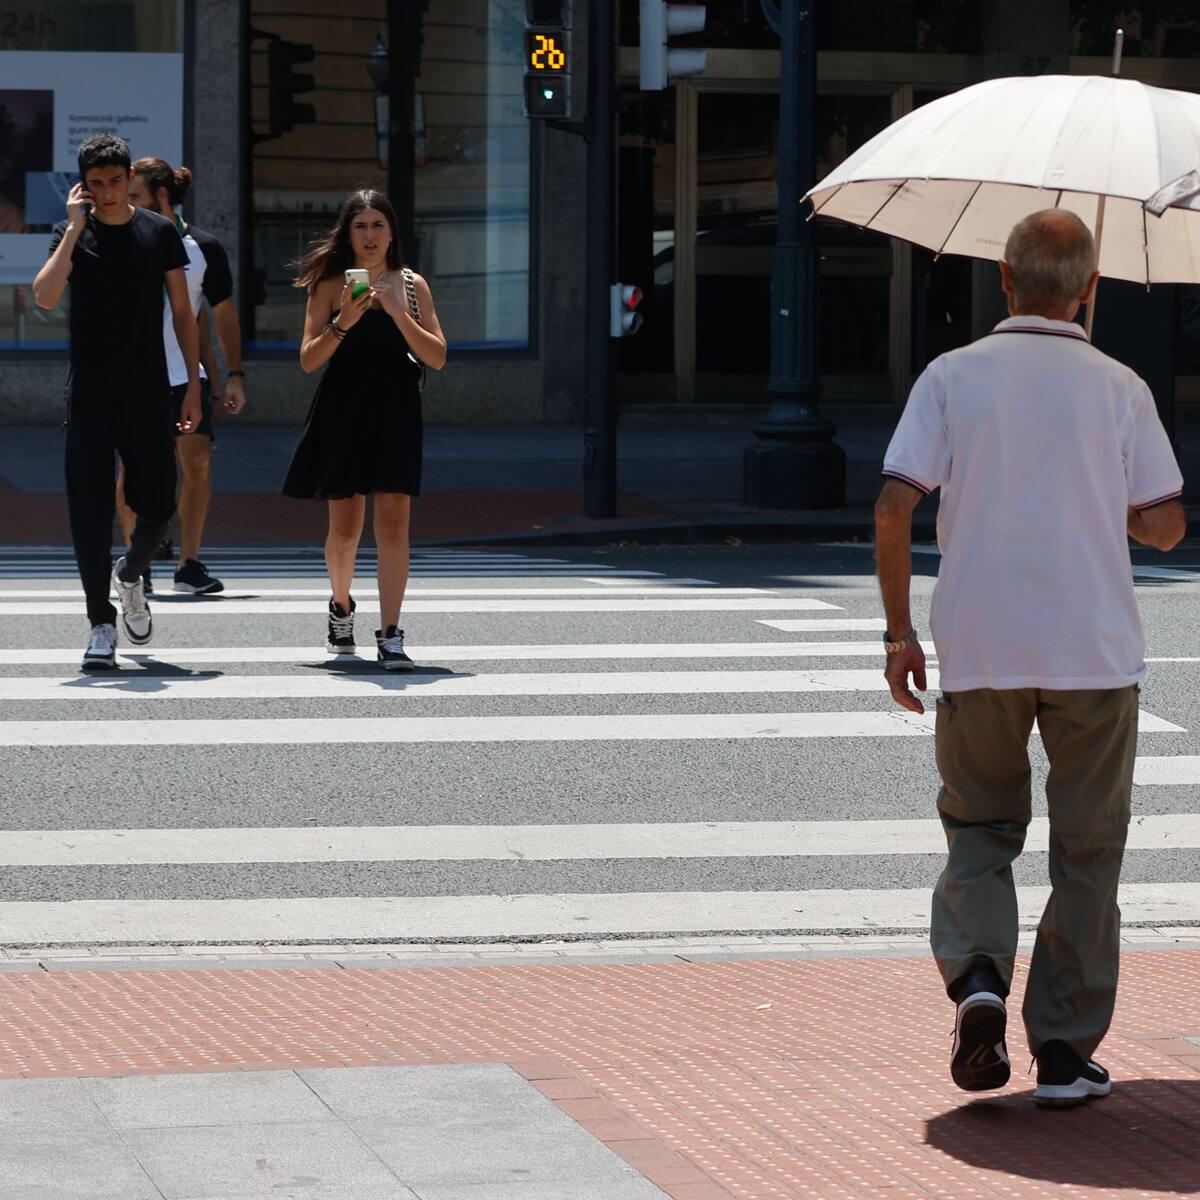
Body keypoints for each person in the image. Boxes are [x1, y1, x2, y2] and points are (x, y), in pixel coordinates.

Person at [875, 209, 1186, 1108]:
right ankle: (1060, 1049)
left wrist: (899, 635)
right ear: (1090, 290)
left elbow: (895, 505)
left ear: (1004, 282)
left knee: (979, 830)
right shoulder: (1121, 386)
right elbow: (1165, 524)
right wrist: (1106, 500)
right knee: (1088, 853)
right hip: (1093, 652)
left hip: (981, 647)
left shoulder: (952, 376)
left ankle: (977, 978)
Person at [32, 133, 201, 672]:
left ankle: (131, 574)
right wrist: (75, 226)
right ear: (84, 185)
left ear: (130, 178)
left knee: (158, 506)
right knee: (89, 512)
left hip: (150, 390)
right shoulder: (72, 233)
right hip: (89, 395)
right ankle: (100, 624)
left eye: (114, 182)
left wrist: (194, 385)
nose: (105, 193)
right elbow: (44, 295)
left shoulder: (157, 232)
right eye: (95, 184)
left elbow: (182, 310)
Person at [282, 189, 446, 669]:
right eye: (361, 225)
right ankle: (341, 604)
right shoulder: (330, 283)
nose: (370, 235)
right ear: (347, 232)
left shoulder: (412, 285)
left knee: (394, 526)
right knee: (346, 530)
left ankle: (391, 633)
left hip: (396, 408)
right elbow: (309, 360)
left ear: (392, 231)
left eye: (378, 225)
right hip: (342, 408)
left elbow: (436, 356)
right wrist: (344, 321)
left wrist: (396, 310)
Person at [116, 156, 247, 595]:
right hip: (133, 376)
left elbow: (222, 314)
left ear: (162, 196)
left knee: (198, 466)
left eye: (135, 196)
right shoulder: (122, 240)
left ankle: (189, 564)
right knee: (132, 472)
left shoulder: (203, 248)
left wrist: (234, 376)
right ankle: (141, 562)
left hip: (184, 376)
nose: (127, 204)